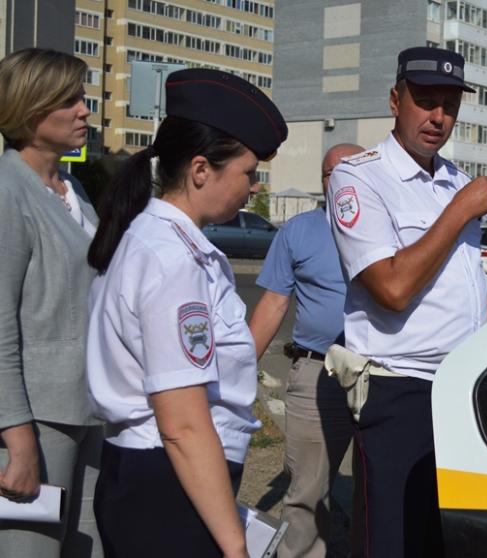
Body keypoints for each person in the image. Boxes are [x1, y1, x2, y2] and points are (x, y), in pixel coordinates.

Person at [86, 68, 287, 557]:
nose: (252, 186)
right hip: (168, 482)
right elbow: (184, 424)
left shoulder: (162, 242)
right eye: (247, 171)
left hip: (163, 477)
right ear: (201, 170)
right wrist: (234, 546)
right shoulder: (171, 257)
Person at [327, 46, 487, 558]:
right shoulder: (360, 178)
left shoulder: (452, 178)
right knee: (390, 540)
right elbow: (392, 287)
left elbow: (458, 285)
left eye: (449, 105)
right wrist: (460, 210)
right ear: (394, 100)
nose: (438, 118)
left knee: (443, 539)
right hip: (399, 390)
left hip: (461, 388)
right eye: (425, 101)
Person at [0, 48, 103, 558]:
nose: (85, 110)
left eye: (82, 97)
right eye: (70, 100)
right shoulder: (7, 193)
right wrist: (17, 440)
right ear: (30, 107)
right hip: (37, 422)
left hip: (87, 410)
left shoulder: (72, 189)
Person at [247, 143, 363, 558]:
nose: (347, 178)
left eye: (357, 169)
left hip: (385, 375)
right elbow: (273, 304)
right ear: (324, 181)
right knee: (308, 492)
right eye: (336, 172)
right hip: (319, 374)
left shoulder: (395, 227)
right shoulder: (299, 231)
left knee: (384, 490)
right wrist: (237, 373)